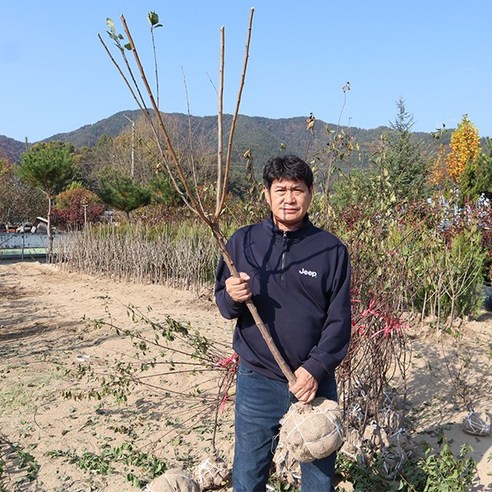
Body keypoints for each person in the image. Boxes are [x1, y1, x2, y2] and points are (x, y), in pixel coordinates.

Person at [215, 154, 352, 491]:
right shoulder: (243, 242)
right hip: (257, 381)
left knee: (319, 481)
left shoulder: (330, 250)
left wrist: (315, 368)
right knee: (248, 476)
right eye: (281, 190)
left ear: (310, 193)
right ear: (267, 194)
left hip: (313, 386)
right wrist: (231, 295)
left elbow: (339, 321)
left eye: (297, 190)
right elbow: (223, 305)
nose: (289, 199)